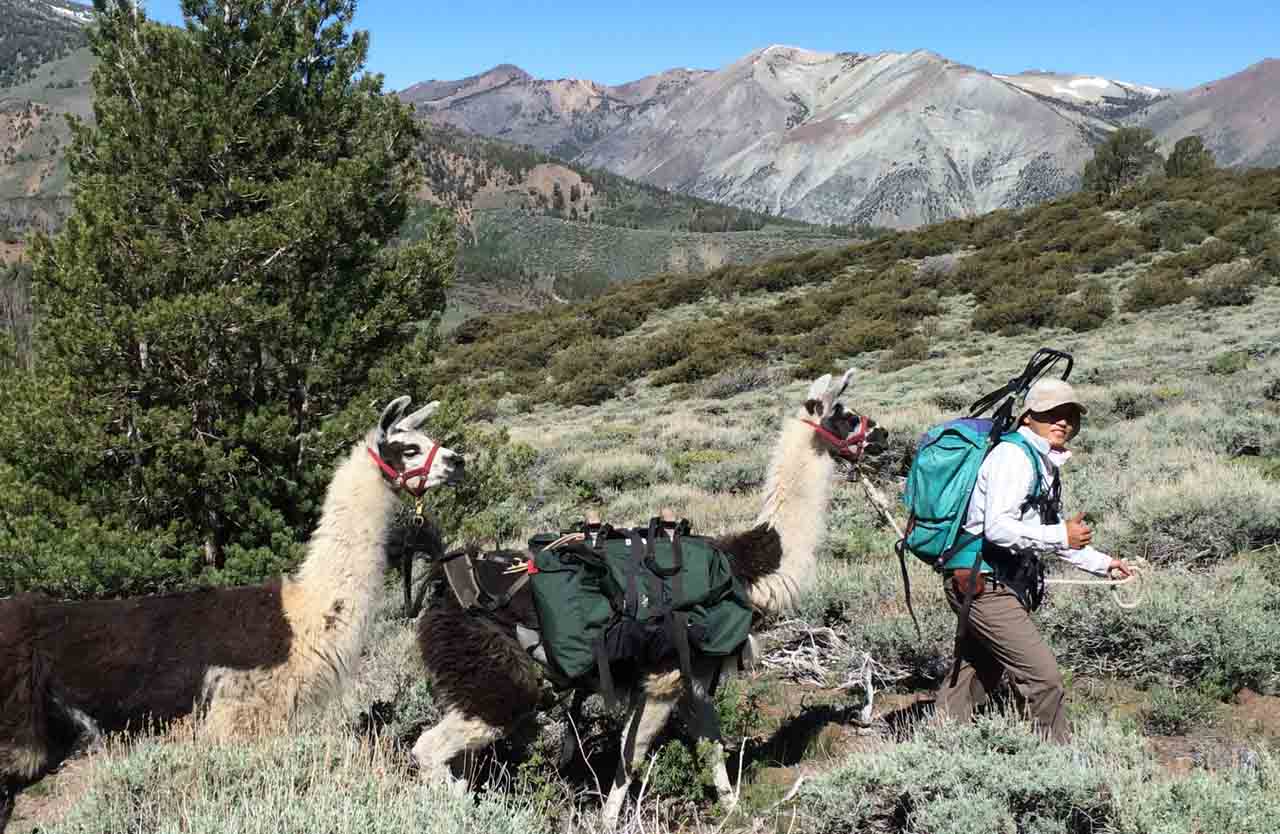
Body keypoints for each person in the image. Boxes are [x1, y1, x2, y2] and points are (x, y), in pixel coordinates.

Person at [937, 377, 1130, 743]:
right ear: (1028, 417)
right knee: (1043, 680)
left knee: (978, 671)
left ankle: (940, 742)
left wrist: (1104, 563)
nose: (1063, 422)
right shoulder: (1013, 457)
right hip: (983, 583)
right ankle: (1056, 763)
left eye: (1069, 415)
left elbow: (1044, 531)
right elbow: (997, 528)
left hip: (994, 580)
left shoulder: (1041, 461)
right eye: (1051, 414)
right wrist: (1061, 535)